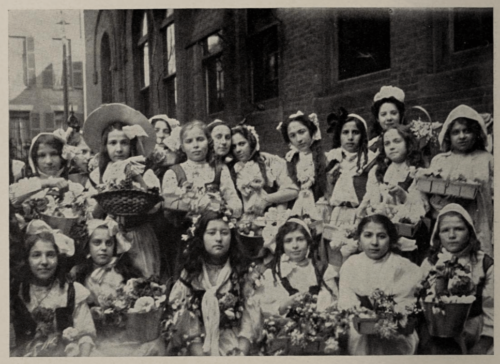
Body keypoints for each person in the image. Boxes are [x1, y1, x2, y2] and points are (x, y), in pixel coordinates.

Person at [83, 103, 161, 279]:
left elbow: (155, 206)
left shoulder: (143, 171)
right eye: (113, 143)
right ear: (105, 146)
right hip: (109, 237)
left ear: (131, 145)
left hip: (139, 234)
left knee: (142, 281)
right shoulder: (98, 174)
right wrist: (104, 195)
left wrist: (136, 179)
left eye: (124, 143)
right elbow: (92, 215)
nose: (118, 149)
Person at [167, 211, 259, 356]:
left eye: (224, 233)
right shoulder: (191, 273)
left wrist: (241, 351)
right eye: (211, 233)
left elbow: (250, 319)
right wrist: (199, 353)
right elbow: (185, 322)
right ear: (201, 237)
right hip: (198, 344)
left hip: (234, 341)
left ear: (232, 237)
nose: (218, 238)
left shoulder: (241, 271)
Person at [71, 219, 165, 356]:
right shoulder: (80, 274)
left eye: (108, 243)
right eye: (97, 242)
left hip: (127, 335)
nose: (103, 248)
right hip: (98, 336)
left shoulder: (124, 272)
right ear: (88, 247)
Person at [338, 214, 420, 355]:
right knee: (355, 336)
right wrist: (361, 313)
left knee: (398, 338)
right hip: (360, 325)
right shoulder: (351, 265)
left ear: (391, 240)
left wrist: (389, 315)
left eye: (381, 236)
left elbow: (406, 302)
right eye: (368, 235)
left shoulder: (403, 266)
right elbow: (346, 300)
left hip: (394, 326)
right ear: (359, 239)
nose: (374, 242)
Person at [11, 220, 95, 357]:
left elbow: (86, 337)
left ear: (58, 258)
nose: (44, 262)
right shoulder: (15, 293)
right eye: (36, 255)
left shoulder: (72, 292)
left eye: (50, 255)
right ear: (27, 259)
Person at [418, 204, 493, 355]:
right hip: (436, 332)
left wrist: (487, 339)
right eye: (445, 230)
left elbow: (492, 306)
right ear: (437, 235)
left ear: (470, 232)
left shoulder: (484, 263)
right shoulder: (430, 263)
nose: (451, 235)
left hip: (473, 331)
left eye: (459, 229)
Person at [420, 105, 493, 256]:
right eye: (456, 132)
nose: (462, 136)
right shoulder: (440, 161)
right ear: (448, 136)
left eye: (467, 131)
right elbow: (430, 192)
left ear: (476, 133)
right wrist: (445, 197)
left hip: (480, 219)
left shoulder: (487, 159)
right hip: (449, 222)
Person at [357, 125, 430, 263]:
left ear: (408, 143)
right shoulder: (380, 171)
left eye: (397, 141)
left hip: (407, 229)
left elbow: (421, 207)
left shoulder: (415, 171)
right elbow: (373, 199)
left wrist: (403, 195)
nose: (391, 147)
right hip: (383, 228)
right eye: (387, 143)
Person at [254, 218, 338, 317]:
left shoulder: (322, 270)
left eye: (300, 239)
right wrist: (284, 305)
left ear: (308, 242)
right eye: (288, 241)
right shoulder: (274, 274)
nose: (295, 246)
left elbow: (334, 304)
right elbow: (264, 309)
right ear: (282, 245)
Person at [324, 109, 376, 267]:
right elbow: (325, 189)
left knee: (355, 256)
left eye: (355, 132)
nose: (350, 137)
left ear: (363, 136)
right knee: (335, 255)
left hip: (358, 214)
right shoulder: (332, 157)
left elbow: (372, 190)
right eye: (345, 132)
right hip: (337, 213)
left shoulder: (369, 159)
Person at [231, 125, 299, 216]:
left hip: (270, 217)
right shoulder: (233, 168)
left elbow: (292, 191)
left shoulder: (269, 161)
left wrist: (266, 199)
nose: (237, 150)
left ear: (251, 143)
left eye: (242, 144)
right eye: (233, 147)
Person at [277, 111, 328, 220]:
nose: (299, 139)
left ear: (310, 131)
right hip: (296, 208)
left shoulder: (324, 158)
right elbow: (285, 190)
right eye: (292, 135)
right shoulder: (289, 161)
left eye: (302, 132)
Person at [9, 133, 79, 208]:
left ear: (62, 157)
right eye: (42, 155)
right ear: (34, 159)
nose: (49, 161)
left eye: (54, 154)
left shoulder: (74, 187)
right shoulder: (26, 185)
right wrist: (46, 183)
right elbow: (10, 198)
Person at [369, 86, 406, 153]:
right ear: (377, 118)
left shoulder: (409, 141)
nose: (389, 118)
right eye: (383, 114)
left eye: (393, 113)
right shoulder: (371, 145)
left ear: (400, 115)